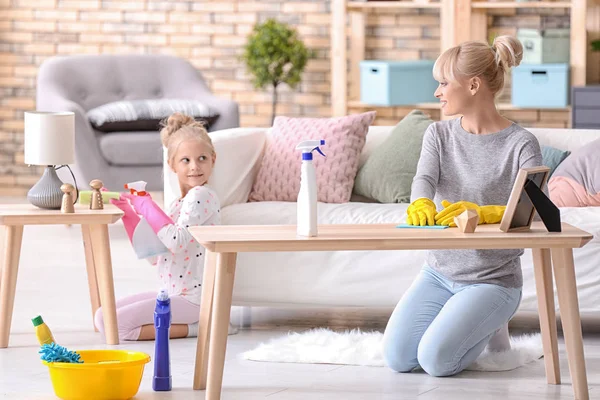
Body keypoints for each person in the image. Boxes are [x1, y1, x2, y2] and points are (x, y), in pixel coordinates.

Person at [382, 36, 542, 376]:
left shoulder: (521, 143)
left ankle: (488, 320)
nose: (438, 92)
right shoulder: (438, 135)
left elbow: (535, 210)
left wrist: (488, 213)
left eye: (443, 83)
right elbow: (423, 179)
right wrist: (421, 201)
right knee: (398, 358)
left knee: (437, 361)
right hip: (438, 273)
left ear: (473, 85)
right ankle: (478, 321)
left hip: (494, 279)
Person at [95, 112, 236, 340]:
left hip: (194, 299)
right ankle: (203, 324)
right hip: (173, 294)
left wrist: (148, 205)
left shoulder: (202, 195)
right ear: (172, 165)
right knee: (103, 317)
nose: (194, 167)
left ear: (213, 159)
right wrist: (129, 213)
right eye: (185, 160)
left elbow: (178, 242)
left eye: (202, 158)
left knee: (118, 327)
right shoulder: (176, 205)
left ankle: (204, 327)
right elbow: (153, 255)